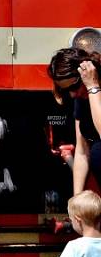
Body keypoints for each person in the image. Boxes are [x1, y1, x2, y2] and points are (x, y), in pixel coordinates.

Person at [48, 48, 101, 194]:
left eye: (74, 86)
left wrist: (93, 87)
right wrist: (77, 197)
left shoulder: (91, 88)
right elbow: (82, 150)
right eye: (65, 90)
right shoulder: (81, 99)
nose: (72, 94)